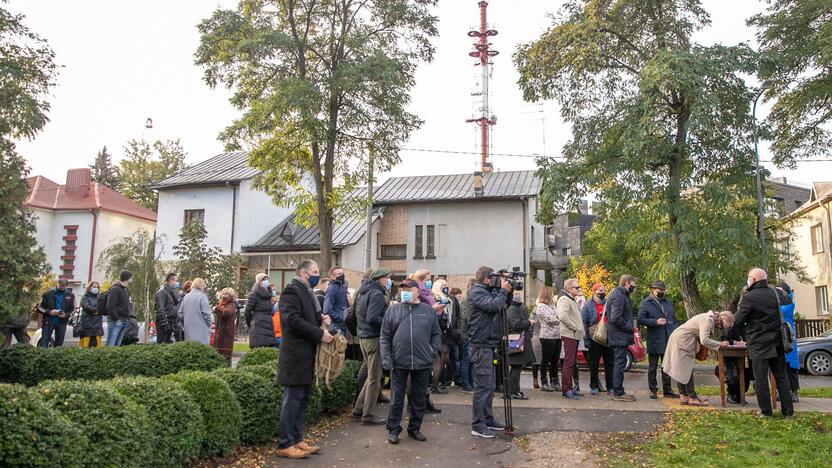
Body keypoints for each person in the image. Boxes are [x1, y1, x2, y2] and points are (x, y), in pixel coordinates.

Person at [276, 260, 334, 459]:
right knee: (292, 400)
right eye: (315, 271)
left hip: (306, 355)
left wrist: (322, 319)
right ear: (303, 273)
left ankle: (297, 439)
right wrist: (319, 334)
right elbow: (292, 320)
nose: (318, 275)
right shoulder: (292, 291)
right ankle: (285, 443)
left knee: (302, 399)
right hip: (294, 356)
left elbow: (308, 317)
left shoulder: (308, 292)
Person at [381, 279, 441, 445]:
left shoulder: (427, 310)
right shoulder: (393, 311)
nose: (404, 291)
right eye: (402, 289)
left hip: (422, 362)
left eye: (408, 288)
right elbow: (384, 337)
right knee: (396, 399)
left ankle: (414, 428)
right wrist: (387, 359)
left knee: (419, 398)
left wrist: (432, 351)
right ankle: (393, 429)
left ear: (417, 291)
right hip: (399, 362)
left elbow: (436, 334)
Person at [734, 268, 795, 418]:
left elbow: (738, 319)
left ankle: (766, 412)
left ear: (753, 280)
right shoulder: (776, 292)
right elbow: (788, 300)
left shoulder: (749, 297)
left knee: (761, 379)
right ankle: (788, 412)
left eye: (749, 278)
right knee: (781, 378)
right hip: (777, 342)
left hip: (759, 343)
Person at [467, 266, 510, 439]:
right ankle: (478, 425)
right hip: (481, 345)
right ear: (486, 278)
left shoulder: (488, 290)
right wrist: (502, 292)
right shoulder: (477, 292)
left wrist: (506, 292)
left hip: (489, 344)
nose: (496, 280)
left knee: (490, 386)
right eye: (493, 277)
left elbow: (502, 306)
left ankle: (488, 418)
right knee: (483, 387)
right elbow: (493, 306)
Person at [663, 311, 734, 406]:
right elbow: (704, 340)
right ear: (723, 318)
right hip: (683, 341)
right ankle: (692, 397)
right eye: (721, 325)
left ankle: (683, 396)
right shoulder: (708, 320)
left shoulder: (708, 318)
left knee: (681, 369)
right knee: (686, 369)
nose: (719, 327)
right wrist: (720, 344)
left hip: (680, 338)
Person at [352, 268, 391, 425]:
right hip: (373, 338)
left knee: (370, 376)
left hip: (363, 337)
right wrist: (389, 322)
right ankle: (367, 415)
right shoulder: (376, 294)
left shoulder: (364, 291)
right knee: (374, 377)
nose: (388, 280)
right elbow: (373, 317)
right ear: (380, 279)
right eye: (387, 278)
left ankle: (358, 410)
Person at [637, 281, 679, 399]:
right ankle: (653, 390)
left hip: (668, 338)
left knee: (667, 366)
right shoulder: (645, 303)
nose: (661, 293)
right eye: (659, 291)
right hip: (655, 338)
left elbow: (673, 318)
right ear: (653, 290)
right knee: (653, 367)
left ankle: (667, 390)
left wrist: (674, 329)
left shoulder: (667, 302)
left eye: (663, 291)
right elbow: (641, 319)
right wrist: (655, 322)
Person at [607, 274, 637, 402]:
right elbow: (616, 317)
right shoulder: (619, 295)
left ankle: (618, 390)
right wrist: (629, 326)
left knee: (618, 363)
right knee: (619, 364)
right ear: (626, 283)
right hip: (619, 336)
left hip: (619, 335)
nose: (634, 288)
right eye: (633, 285)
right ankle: (618, 392)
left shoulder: (621, 295)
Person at [581, 284, 613, 395]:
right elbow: (584, 323)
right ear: (594, 292)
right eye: (600, 290)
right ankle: (594, 386)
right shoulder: (587, 306)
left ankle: (610, 386)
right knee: (594, 364)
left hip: (607, 338)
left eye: (604, 290)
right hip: (594, 338)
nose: (602, 292)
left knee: (609, 363)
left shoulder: (608, 303)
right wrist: (586, 339)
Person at [557, 279, 585, 399]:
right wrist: (575, 328)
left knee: (571, 362)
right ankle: (566, 389)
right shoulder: (564, 299)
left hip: (573, 335)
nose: (579, 289)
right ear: (568, 288)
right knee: (568, 362)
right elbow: (562, 316)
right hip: (569, 335)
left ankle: (569, 388)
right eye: (576, 287)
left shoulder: (570, 299)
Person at [715, 322, 752, 404]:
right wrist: (735, 342)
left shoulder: (745, 326)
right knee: (732, 373)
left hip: (745, 356)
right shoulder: (727, 328)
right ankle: (731, 394)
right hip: (730, 358)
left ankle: (740, 395)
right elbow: (723, 340)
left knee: (747, 372)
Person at [506, 296, 535, 400]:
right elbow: (516, 325)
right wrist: (529, 322)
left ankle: (514, 390)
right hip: (516, 341)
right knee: (516, 367)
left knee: (516, 367)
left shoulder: (515, 308)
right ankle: (513, 391)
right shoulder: (513, 309)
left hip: (517, 341)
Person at [534, 287, 561, 392]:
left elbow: (559, 316)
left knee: (555, 360)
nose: (553, 295)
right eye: (552, 293)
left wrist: (559, 318)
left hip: (557, 336)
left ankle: (555, 381)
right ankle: (544, 382)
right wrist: (560, 319)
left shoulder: (553, 305)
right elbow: (551, 320)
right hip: (547, 336)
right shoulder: (540, 306)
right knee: (546, 360)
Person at [777, 283, 800, 403]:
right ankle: (781, 392)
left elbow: (780, 312)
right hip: (781, 338)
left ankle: (794, 392)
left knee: (791, 368)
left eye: (780, 290)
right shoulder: (780, 302)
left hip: (789, 339)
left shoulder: (789, 303)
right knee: (781, 367)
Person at [36, 279, 75, 347]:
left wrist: (65, 315)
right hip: (48, 322)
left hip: (62, 323)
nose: (61, 287)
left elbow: (73, 309)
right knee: (44, 344)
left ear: (66, 286)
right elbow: (39, 307)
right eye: (60, 285)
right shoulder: (48, 294)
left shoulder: (70, 295)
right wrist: (50, 312)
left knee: (59, 345)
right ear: (57, 284)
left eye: (63, 286)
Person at [431, 278, 454, 393]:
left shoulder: (447, 299)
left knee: (445, 359)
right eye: (443, 286)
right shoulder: (436, 298)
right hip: (439, 332)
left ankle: (437, 382)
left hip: (446, 333)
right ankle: (435, 385)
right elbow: (437, 317)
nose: (446, 288)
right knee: (439, 360)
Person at [246, 273, 277, 349]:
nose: (267, 281)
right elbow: (247, 311)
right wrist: (251, 322)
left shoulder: (268, 295)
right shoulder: (254, 294)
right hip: (258, 323)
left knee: (268, 348)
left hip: (268, 323)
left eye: (267, 279)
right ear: (259, 281)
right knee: (259, 347)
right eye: (264, 279)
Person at [178, 278, 212, 345]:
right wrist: (209, 325)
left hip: (188, 329)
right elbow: (206, 314)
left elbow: (180, 313)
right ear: (202, 285)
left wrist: (184, 324)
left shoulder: (186, 297)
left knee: (190, 349)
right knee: (201, 349)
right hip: (201, 329)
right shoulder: (202, 297)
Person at [106, 271, 133, 347]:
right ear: (127, 278)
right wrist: (116, 318)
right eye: (131, 277)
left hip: (124, 320)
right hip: (116, 321)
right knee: (111, 344)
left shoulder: (125, 290)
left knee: (117, 345)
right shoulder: (115, 289)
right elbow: (110, 306)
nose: (132, 279)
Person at [458, 279, 476, 393]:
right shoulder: (467, 300)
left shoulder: (470, 299)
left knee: (469, 360)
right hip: (466, 334)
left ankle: (470, 382)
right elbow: (466, 317)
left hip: (470, 334)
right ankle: (466, 384)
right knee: (466, 360)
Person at [155, 273, 180, 344]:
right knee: (162, 343)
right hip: (164, 322)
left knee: (168, 342)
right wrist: (164, 322)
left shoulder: (170, 292)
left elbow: (172, 306)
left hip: (170, 321)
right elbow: (160, 308)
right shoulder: (162, 292)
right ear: (171, 280)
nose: (176, 283)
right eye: (176, 281)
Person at [323, 266, 349, 336]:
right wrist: (341, 318)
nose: (342, 275)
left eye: (342, 273)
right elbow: (327, 310)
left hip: (342, 326)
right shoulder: (333, 288)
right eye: (339, 274)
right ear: (332, 277)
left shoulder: (341, 287)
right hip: (336, 327)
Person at [214, 287, 237, 360]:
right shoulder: (221, 304)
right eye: (223, 294)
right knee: (218, 354)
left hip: (226, 334)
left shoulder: (231, 305)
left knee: (225, 356)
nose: (223, 296)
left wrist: (216, 308)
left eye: (226, 294)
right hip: (220, 333)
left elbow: (226, 312)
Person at [79, 282, 104, 348]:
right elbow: (87, 307)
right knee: (86, 344)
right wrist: (97, 310)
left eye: (97, 287)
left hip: (98, 323)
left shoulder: (100, 297)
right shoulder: (85, 297)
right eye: (94, 286)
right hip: (88, 323)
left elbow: (103, 307)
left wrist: (98, 311)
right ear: (89, 287)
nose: (95, 288)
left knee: (98, 344)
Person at [448, 287, 464, 388]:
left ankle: (457, 378)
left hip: (455, 334)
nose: (460, 295)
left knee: (456, 358)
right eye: (459, 293)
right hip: (455, 334)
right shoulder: (453, 301)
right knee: (456, 358)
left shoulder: (454, 301)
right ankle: (458, 378)